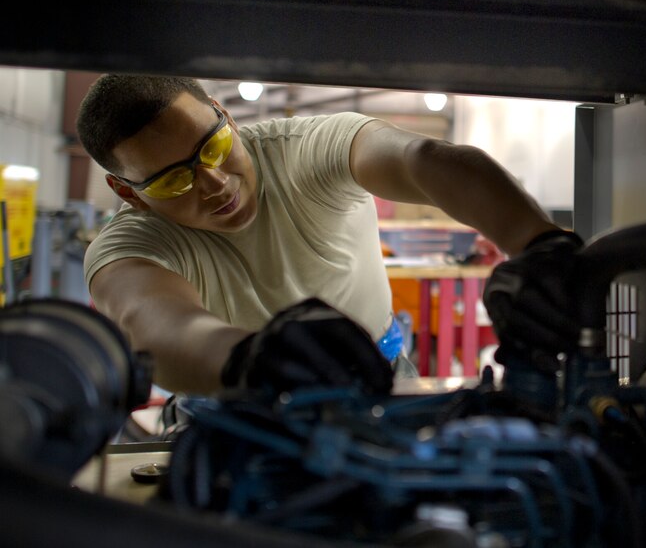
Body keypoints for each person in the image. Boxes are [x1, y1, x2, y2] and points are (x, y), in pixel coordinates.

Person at [76, 74, 583, 398]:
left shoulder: (304, 151)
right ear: (128, 192)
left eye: (214, 147)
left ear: (224, 115)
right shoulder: (130, 245)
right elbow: (154, 325)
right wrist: (258, 360)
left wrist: (538, 243)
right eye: (172, 181)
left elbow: (422, 161)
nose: (214, 183)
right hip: (236, 408)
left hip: (384, 379)